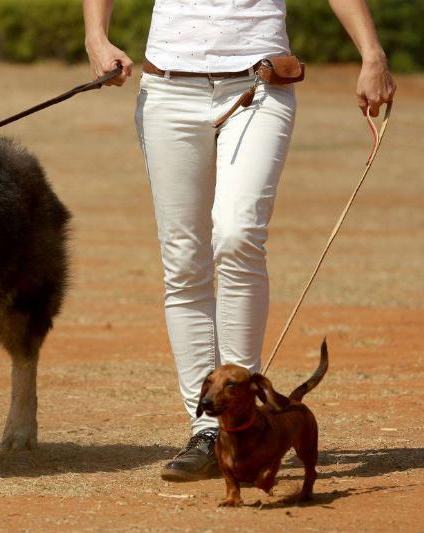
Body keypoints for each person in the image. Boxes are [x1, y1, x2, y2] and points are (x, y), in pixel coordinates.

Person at [83, 0, 396, 481]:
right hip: (167, 89)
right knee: (184, 261)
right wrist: (97, 38)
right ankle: (206, 430)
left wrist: (371, 54)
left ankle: (242, 419)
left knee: (237, 236)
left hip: (260, 82)